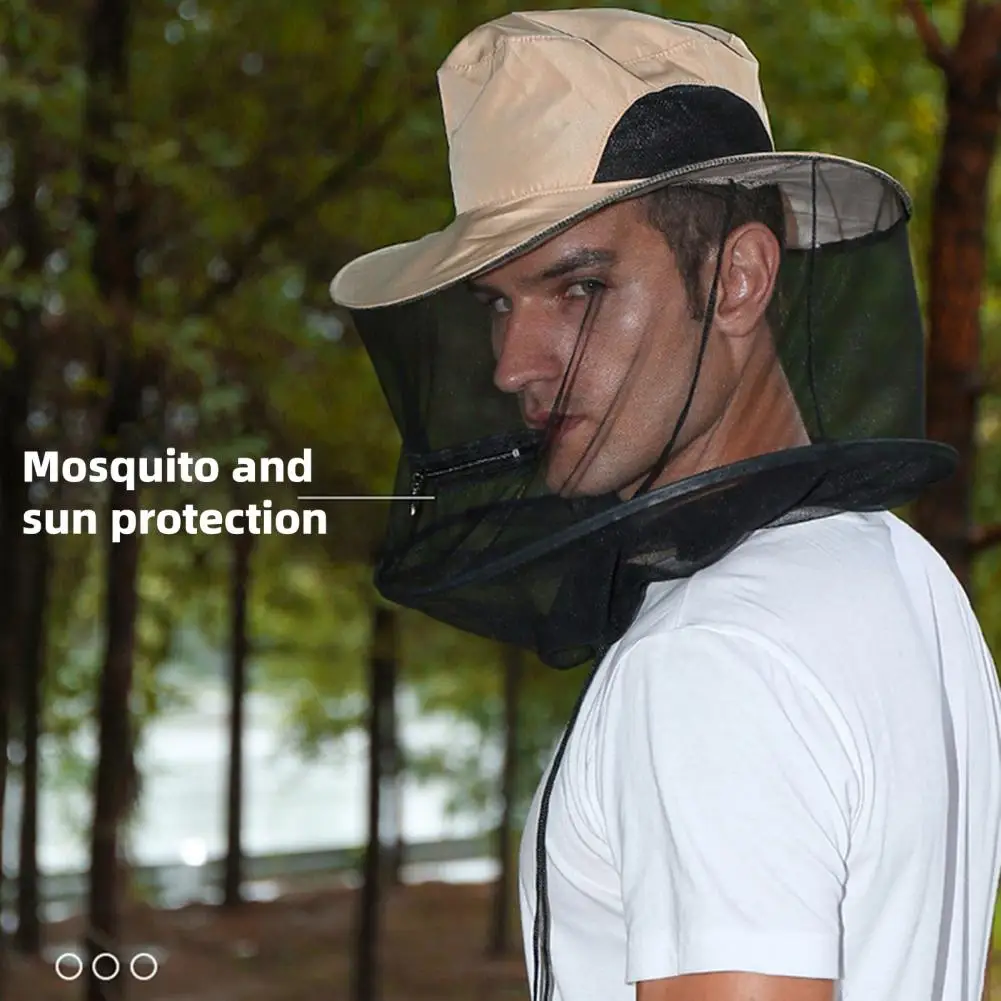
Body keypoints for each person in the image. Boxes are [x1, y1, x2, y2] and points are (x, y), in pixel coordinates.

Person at [331, 9, 1001, 1001]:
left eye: (577, 289)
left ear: (736, 279)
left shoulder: (706, 658)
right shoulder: (903, 576)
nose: (512, 364)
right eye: (499, 303)